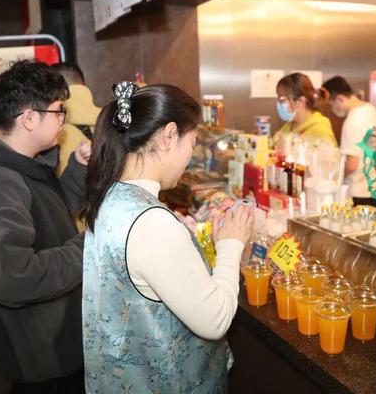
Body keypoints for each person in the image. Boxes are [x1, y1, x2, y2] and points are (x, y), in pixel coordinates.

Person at [82, 82, 253, 393]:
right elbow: (215, 320)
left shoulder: (112, 195)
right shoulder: (152, 223)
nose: (190, 157)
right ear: (169, 135)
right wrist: (231, 244)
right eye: (192, 143)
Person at [0, 61, 91, 393]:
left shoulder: (21, 161)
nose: (63, 120)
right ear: (29, 118)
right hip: (38, 349)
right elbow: (12, 276)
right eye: (59, 110)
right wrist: (89, 247)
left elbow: (49, 217)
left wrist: (79, 170)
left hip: (51, 334)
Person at [322, 76, 376, 206]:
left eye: (331, 105)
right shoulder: (370, 109)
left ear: (340, 99)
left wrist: (332, 178)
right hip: (375, 188)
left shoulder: (352, 121)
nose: (332, 110)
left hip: (358, 192)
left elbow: (351, 165)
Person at [274, 72, 337, 148]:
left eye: (282, 100)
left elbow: (331, 155)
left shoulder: (321, 130)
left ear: (300, 101)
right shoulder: (289, 126)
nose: (279, 105)